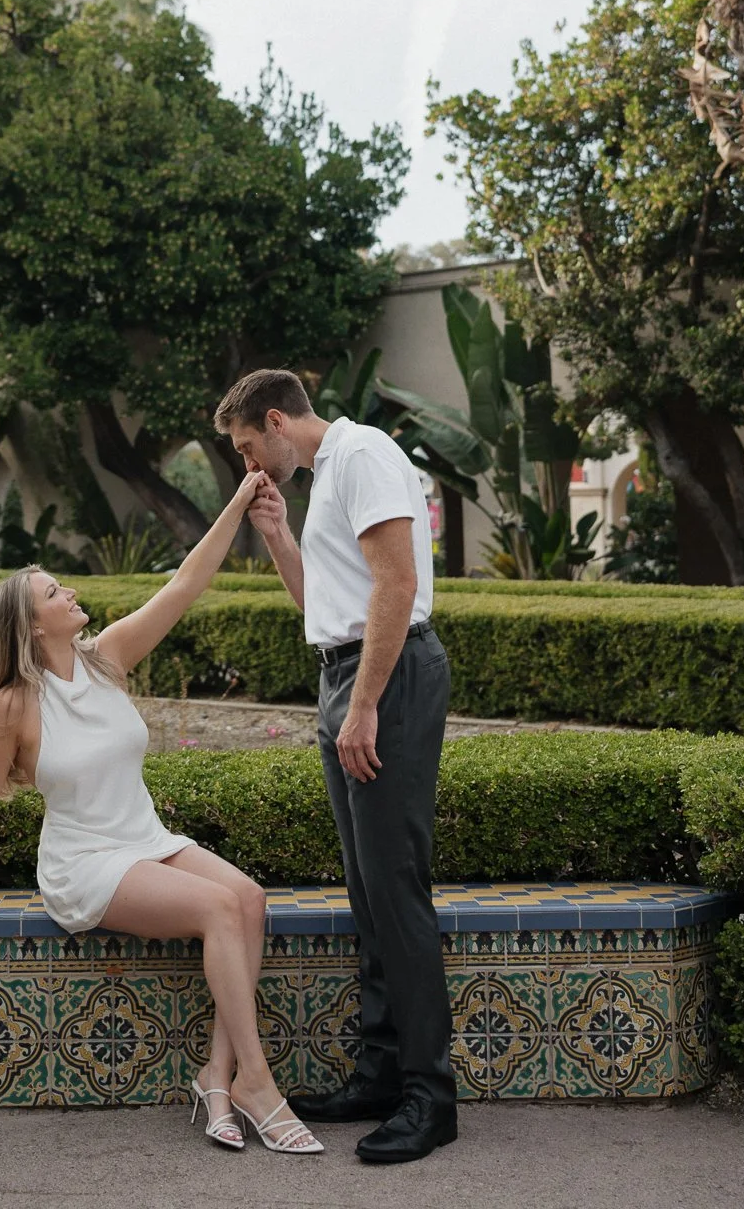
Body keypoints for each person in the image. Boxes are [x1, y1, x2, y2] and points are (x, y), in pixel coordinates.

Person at [0, 469, 321, 1157]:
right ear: (29, 624)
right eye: (54, 591)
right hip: (85, 863)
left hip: (145, 840)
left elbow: (184, 584)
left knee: (247, 899)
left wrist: (238, 503)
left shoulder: (107, 659)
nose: (70, 591)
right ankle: (257, 1084)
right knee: (215, 910)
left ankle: (217, 1075)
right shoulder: (9, 708)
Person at [214, 368, 458, 1166]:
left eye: (249, 447)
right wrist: (279, 534)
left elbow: (397, 584)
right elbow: (324, 604)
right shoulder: (324, 480)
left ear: (277, 421)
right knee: (366, 889)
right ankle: (382, 1074)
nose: (248, 464)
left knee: (396, 887)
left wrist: (364, 707)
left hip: (382, 680)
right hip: (344, 673)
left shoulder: (364, 454)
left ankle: (430, 1096)